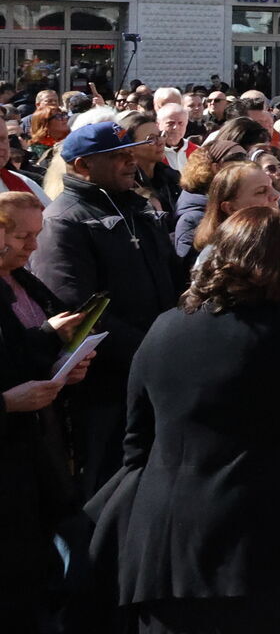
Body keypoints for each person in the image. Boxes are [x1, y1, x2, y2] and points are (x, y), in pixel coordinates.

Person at [88, 208, 280, 632]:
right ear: (275, 265)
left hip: (167, 541)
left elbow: (137, 439)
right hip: (263, 538)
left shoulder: (165, 328)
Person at [31, 121, 180, 495]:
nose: (132, 161)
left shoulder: (139, 208)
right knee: (109, 489)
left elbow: (175, 280)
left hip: (158, 375)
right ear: (83, 166)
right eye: (118, 156)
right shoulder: (63, 221)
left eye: (131, 152)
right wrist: (153, 352)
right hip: (106, 390)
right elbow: (79, 310)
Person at [0, 191, 96, 634]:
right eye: (22, 236)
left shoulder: (24, 279)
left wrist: (67, 365)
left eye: (36, 236)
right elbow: (16, 357)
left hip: (43, 443)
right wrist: (7, 401)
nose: (32, 248)